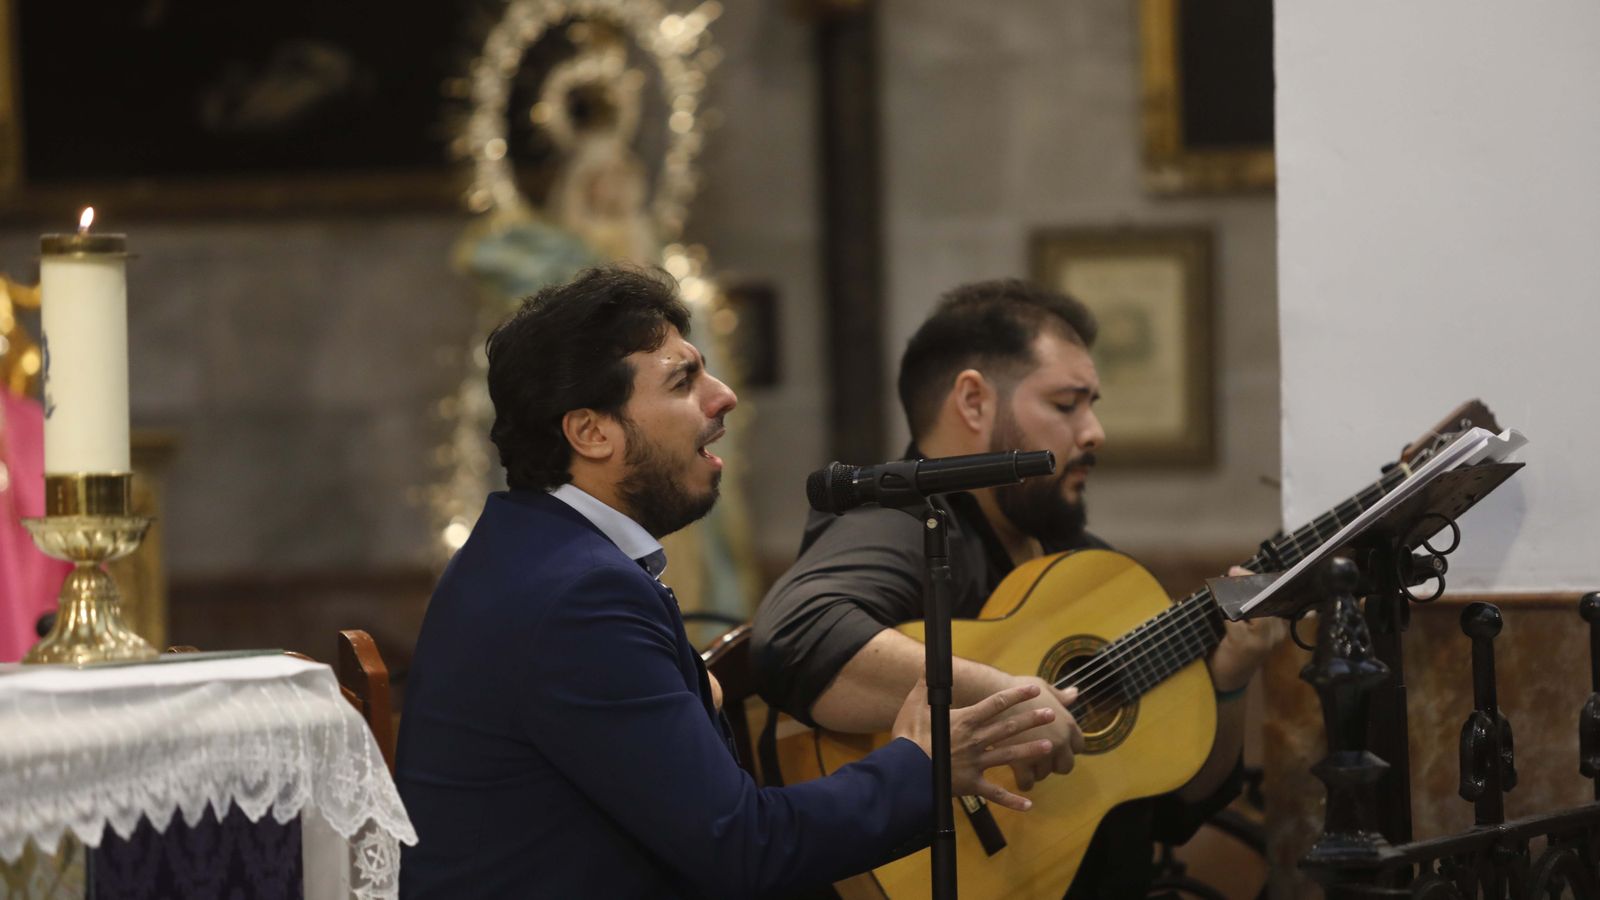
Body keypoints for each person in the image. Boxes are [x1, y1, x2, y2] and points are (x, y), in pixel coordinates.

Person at [396, 266, 1057, 899]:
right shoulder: (580, 598)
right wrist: (920, 764)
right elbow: (746, 849)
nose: (724, 397)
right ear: (592, 432)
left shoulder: (527, 553)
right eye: (684, 381)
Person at [751, 278, 1285, 899]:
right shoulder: (904, 525)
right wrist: (1017, 701)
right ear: (974, 402)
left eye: (1092, 405)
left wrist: (1230, 676)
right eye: (1066, 404)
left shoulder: (1086, 569)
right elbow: (794, 634)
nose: (1094, 432)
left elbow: (1172, 810)